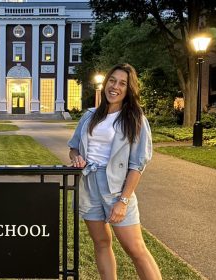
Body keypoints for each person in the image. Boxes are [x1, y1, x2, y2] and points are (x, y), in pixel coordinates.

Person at [68, 63, 162, 280]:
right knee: (101, 243)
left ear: (129, 89)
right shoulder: (90, 115)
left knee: (135, 248)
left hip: (116, 187)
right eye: (112, 80)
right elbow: (73, 147)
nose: (115, 87)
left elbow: (137, 165)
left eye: (122, 83)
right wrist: (77, 158)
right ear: (106, 82)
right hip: (89, 184)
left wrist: (123, 200)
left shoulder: (135, 118)